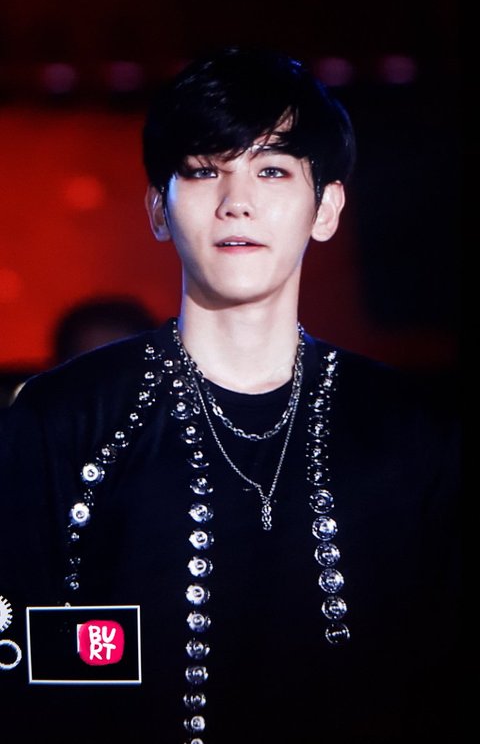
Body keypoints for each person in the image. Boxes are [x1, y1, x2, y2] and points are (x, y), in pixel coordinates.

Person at [0, 47, 459, 743]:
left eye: (271, 170)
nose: (236, 201)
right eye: (204, 169)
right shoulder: (63, 421)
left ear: (327, 206)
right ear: (157, 208)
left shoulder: (411, 431)